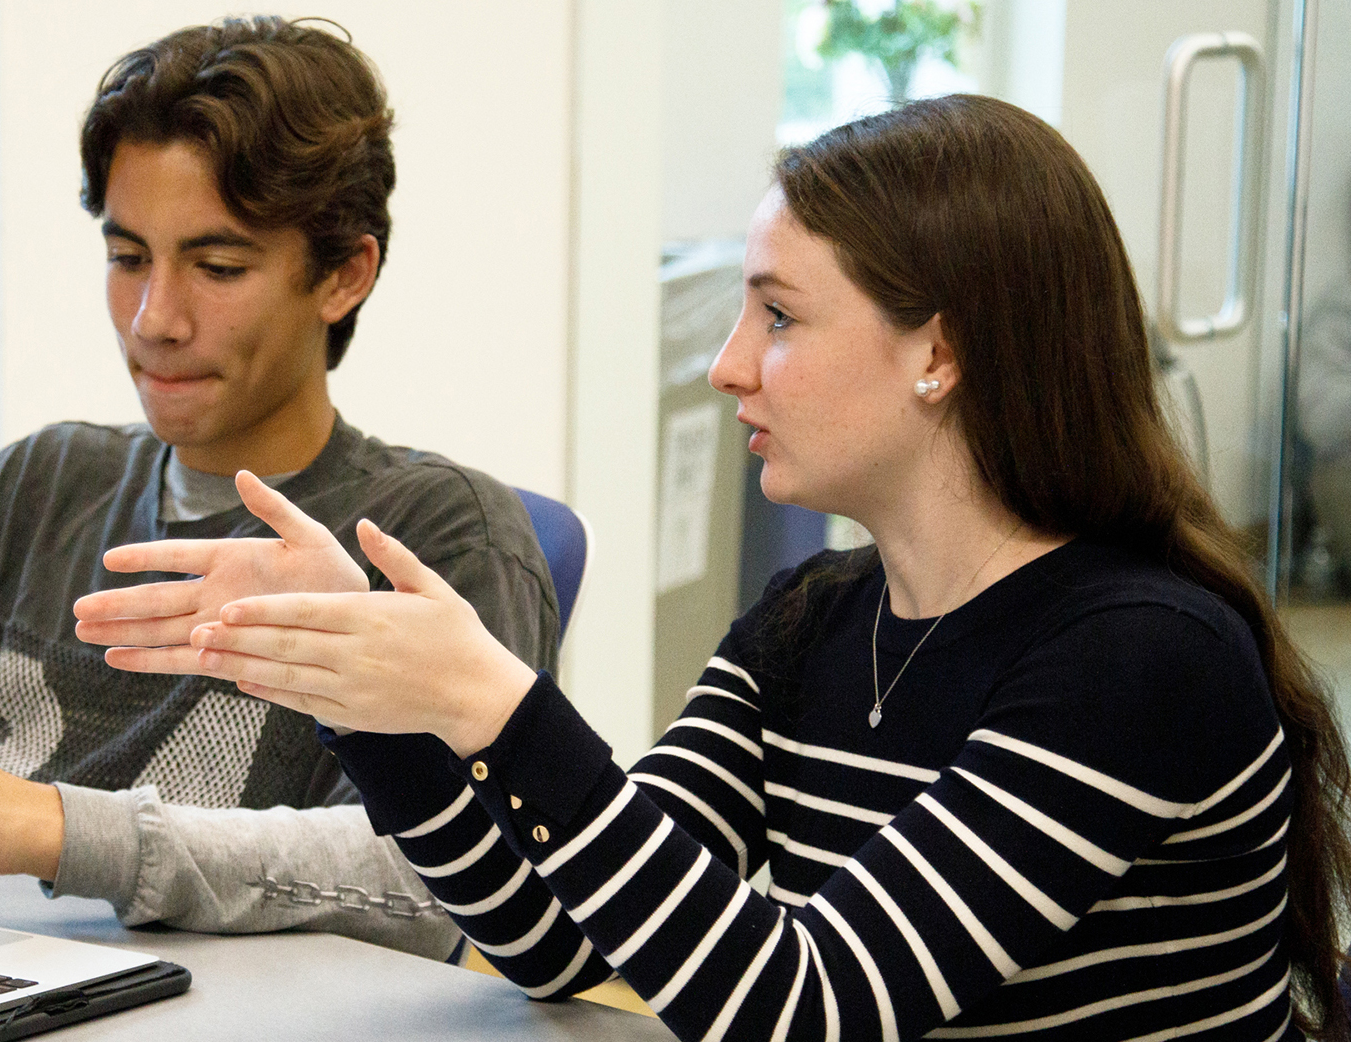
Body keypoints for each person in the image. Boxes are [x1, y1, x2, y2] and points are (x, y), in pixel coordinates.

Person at [82, 95, 1351, 1039]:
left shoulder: (1140, 653)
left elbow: (810, 1002)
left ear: (941, 354)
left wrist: (493, 704)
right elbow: (556, 939)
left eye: (781, 317)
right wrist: (367, 697)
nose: (727, 361)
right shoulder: (813, 616)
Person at [0, 15, 557, 962]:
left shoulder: (437, 536)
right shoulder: (36, 486)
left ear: (343, 275)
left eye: (217, 268)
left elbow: (428, 883)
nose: (153, 319)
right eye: (127, 258)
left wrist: (46, 826)